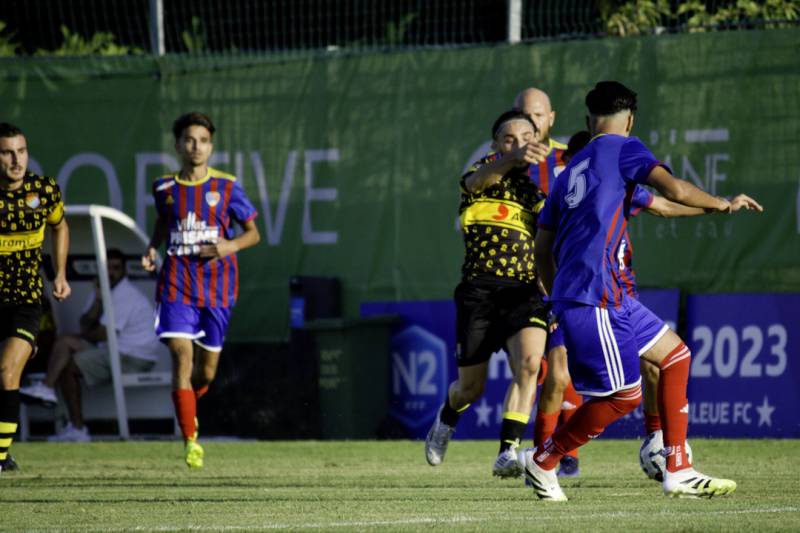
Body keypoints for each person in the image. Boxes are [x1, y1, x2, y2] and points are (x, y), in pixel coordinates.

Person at [527, 81, 762, 500]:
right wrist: (722, 203)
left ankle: (678, 467)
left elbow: (542, 247)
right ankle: (545, 459)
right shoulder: (623, 148)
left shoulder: (569, 173)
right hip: (595, 295)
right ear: (630, 120)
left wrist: (554, 294)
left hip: (599, 294)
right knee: (624, 397)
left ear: (587, 121)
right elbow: (674, 189)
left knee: (675, 356)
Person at [425, 110, 551, 478]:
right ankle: (447, 418)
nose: (519, 144)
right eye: (510, 139)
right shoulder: (483, 170)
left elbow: (552, 238)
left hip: (524, 291)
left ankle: (508, 452)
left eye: (526, 137)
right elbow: (476, 183)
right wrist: (512, 157)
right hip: (479, 292)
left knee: (529, 366)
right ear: (496, 144)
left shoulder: (538, 190)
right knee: (470, 389)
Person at [142, 112, 260, 468]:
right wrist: (152, 247)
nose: (197, 147)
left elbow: (253, 233)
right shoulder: (164, 187)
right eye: (190, 140)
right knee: (181, 355)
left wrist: (229, 246)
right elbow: (164, 222)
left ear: (211, 146)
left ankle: (192, 398)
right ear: (178, 145)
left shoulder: (226, 187)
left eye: (204, 141)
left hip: (217, 290)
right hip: (177, 284)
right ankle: (190, 441)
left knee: (205, 372)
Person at [20, 249, 160, 442]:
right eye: (107, 267)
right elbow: (85, 324)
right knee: (65, 346)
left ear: (124, 271)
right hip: (115, 350)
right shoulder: (103, 291)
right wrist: (98, 300)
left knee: (67, 363)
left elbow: (102, 333)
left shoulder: (125, 294)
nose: (111, 272)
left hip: (133, 356)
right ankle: (51, 393)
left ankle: (73, 422)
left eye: (116, 268)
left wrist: (77, 338)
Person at [0, 122, 71, 473]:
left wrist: (59, 273)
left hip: (26, 301)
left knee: (8, 369)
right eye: (7, 152)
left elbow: (60, 225)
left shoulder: (43, 191)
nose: (16, 160)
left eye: (22, 151)